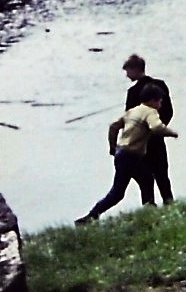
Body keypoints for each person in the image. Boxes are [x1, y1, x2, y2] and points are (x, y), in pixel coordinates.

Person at [76, 83, 178, 225]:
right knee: (118, 193)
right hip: (131, 155)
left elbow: (113, 127)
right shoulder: (150, 112)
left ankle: (149, 211)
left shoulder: (133, 111)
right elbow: (156, 127)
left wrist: (113, 147)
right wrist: (172, 133)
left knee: (146, 179)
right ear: (153, 100)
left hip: (122, 153)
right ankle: (89, 217)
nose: (161, 104)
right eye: (160, 101)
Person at [122, 54, 176, 203]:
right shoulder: (161, 84)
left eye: (128, 71)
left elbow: (130, 119)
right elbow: (169, 111)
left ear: (136, 69)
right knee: (162, 174)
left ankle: (149, 205)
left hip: (141, 142)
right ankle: (169, 203)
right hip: (158, 138)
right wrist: (159, 128)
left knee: (145, 179)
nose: (127, 75)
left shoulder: (132, 93)